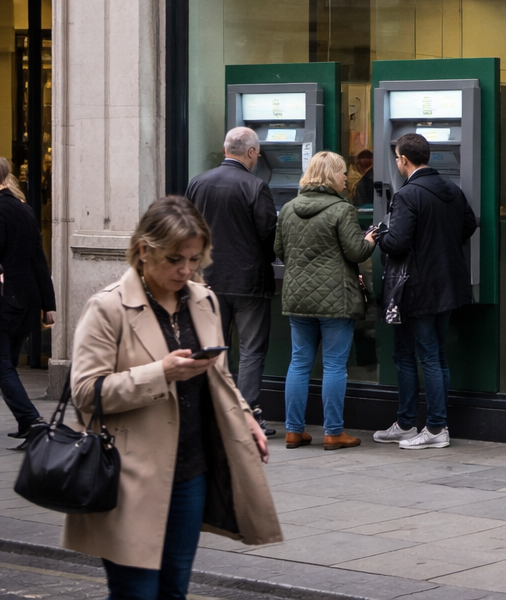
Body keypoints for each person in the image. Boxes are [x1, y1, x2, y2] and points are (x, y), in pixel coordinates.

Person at [64, 196, 281, 599]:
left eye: (195, 259)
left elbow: (219, 376)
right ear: (144, 251)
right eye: (175, 259)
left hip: (190, 473)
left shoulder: (204, 300)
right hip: (129, 476)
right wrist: (160, 373)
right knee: (136, 593)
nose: (186, 270)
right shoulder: (108, 307)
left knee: (174, 591)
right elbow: (85, 393)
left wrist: (245, 416)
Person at [369, 132, 478, 450]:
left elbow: (398, 242)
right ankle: (406, 424)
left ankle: (435, 427)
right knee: (427, 353)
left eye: (397, 158)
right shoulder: (452, 189)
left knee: (421, 355)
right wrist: (440, 242)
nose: (396, 163)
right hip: (446, 283)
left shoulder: (407, 194)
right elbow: (469, 224)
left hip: (415, 287)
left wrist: (379, 234)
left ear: (403, 160)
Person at [276, 151, 374, 451]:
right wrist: (370, 240)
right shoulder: (342, 210)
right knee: (333, 366)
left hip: (298, 296)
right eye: (342, 172)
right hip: (335, 298)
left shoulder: (288, 209)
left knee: (299, 363)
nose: (345, 177)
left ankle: (293, 431)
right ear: (332, 176)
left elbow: (279, 250)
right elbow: (356, 252)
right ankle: (333, 432)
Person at [184, 127, 279, 436]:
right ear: (250, 153)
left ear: (225, 149)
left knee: (212, 348)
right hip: (249, 281)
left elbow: (186, 228)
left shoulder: (197, 183)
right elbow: (268, 234)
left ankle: (212, 412)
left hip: (207, 279)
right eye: (257, 153)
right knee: (251, 349)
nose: (258, 158)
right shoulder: (255, 186)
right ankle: (245, 415)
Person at [0, 158, 54, 444]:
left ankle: (32, 420)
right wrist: (49, 304)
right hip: (26, 301)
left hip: (7, 301)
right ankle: (26, 422)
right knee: (6, 363)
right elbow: (38, 259)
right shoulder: (25, 209)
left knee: (3, 366)